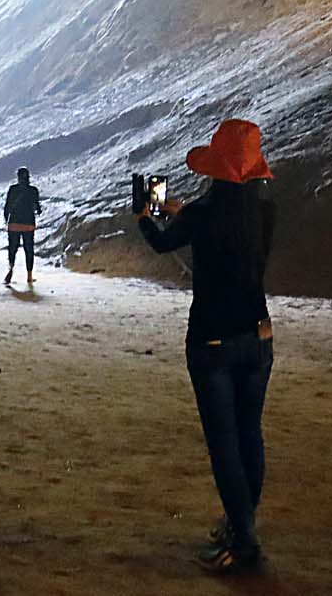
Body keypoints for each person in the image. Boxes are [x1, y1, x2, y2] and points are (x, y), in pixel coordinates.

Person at [136, 119, 276, 574]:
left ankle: (245, 542)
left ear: (215, 168)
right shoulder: (265, 212)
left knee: (224, 445)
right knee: (249, 434)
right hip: (258, 335)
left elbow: (160, 244)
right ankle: (241, 526)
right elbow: (237, 247)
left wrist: (146, 217)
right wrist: (187, 215)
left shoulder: (201, 214)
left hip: (212, 340)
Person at [3, 167, 41, 286]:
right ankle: (29, 276)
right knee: (28, 250)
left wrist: (6, 221)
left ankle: (10, 269)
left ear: (18, 177)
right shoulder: (33, 190)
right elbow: (38, 209)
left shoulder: (12, 189)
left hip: (13, 224)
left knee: (12, 248)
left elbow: (7, 207)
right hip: (28, 225)